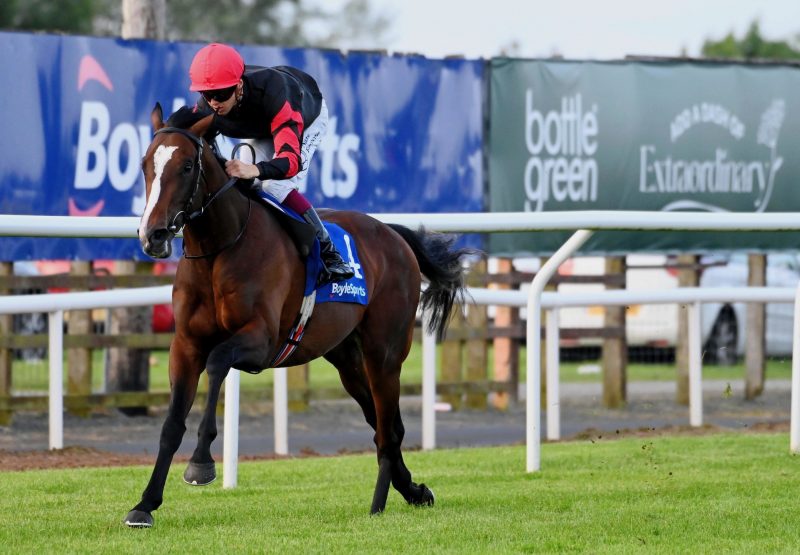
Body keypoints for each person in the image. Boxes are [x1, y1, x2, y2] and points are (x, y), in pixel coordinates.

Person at [187, 42, 354, 285]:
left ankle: (329, 252)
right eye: (207, 94)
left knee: (273, 186)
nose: (214, 103)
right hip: (264, 125)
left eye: (221, 94)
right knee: (243, 184)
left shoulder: (276, 95)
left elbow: (289, 162)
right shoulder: (207, 107)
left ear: (239, 85)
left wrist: (255, 169)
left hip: (304, 118)